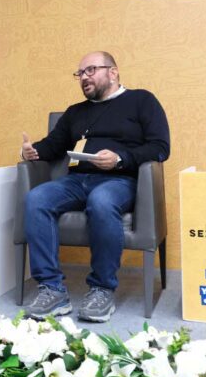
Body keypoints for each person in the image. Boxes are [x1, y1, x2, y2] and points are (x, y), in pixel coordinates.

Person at [21, 51, 170, 322]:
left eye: (91, 70)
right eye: (80, 73)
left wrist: (120, 159)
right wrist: (33, 151)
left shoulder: (142, 100)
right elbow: (54, 145)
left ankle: (102, 289)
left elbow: (160, 147)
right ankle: (52, 289)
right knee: (37, 198)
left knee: (101, 200)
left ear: (113, 72)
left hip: (120, 180)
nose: (84, 77)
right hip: (77, 180)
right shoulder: (75, 112)